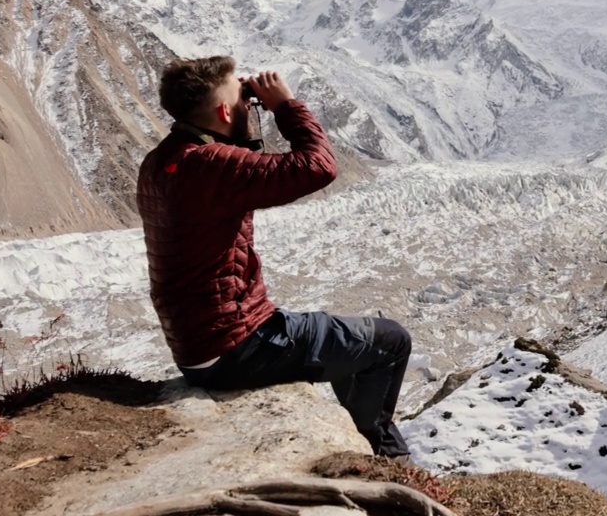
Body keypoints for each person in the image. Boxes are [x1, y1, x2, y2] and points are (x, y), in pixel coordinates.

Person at [137, 56, 411, 458]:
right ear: (224, 111)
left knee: (343, 339)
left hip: (198, 348)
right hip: (239, 348)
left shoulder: (162, 160)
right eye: (243, 98)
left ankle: (361, 440)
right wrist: (284, 106)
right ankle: (384, 455)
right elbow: (317, 167)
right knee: (390, 341)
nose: (251, 105)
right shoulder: (210, 165)